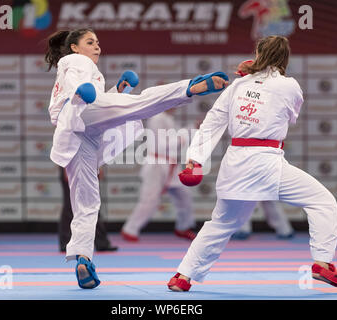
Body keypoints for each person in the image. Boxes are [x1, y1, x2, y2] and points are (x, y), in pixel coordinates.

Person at [45, 28, 229, 289]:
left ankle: (83, 258)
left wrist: (116, 89)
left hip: (78, 134)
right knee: (137, 104)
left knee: (87, 202)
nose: (97, 46)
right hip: (80, 114)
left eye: (98, 42)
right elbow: (80, 86)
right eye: (89, 42)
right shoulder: (76, 61)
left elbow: (98, 101)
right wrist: (81, 92)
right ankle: (188, 88)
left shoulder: (83, 68)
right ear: (74, 47)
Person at [167, 35, 337, 292]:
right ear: (285, 58)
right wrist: (259, 77)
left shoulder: (237, 86)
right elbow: (292, 114)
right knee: (323, 202)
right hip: (266, 162)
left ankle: (182, 276)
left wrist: (195, 160)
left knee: (221, 223)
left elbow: (213, 122)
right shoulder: (289, 86)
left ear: (258, 54)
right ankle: (322, 262)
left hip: (235, 163)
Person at [121, 109, 197, 242]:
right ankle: (130, 229)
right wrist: (183, 139)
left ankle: (183, 227)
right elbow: (162, 145)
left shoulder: (169, 119)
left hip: (170, 165)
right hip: (156, 164)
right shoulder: (157, 118)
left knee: (184, 195)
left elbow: (178, 135)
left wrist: (192, 128)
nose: (176, 106)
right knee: (149, 199)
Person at [58, 166, 117, 253]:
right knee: (70, 205)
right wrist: (66, 168)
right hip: (71, 165)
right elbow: (63, 152)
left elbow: (96, 151)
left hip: (88, 165)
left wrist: (98, 167)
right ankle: (66, 242)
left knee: (92, 204)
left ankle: (101, 242)